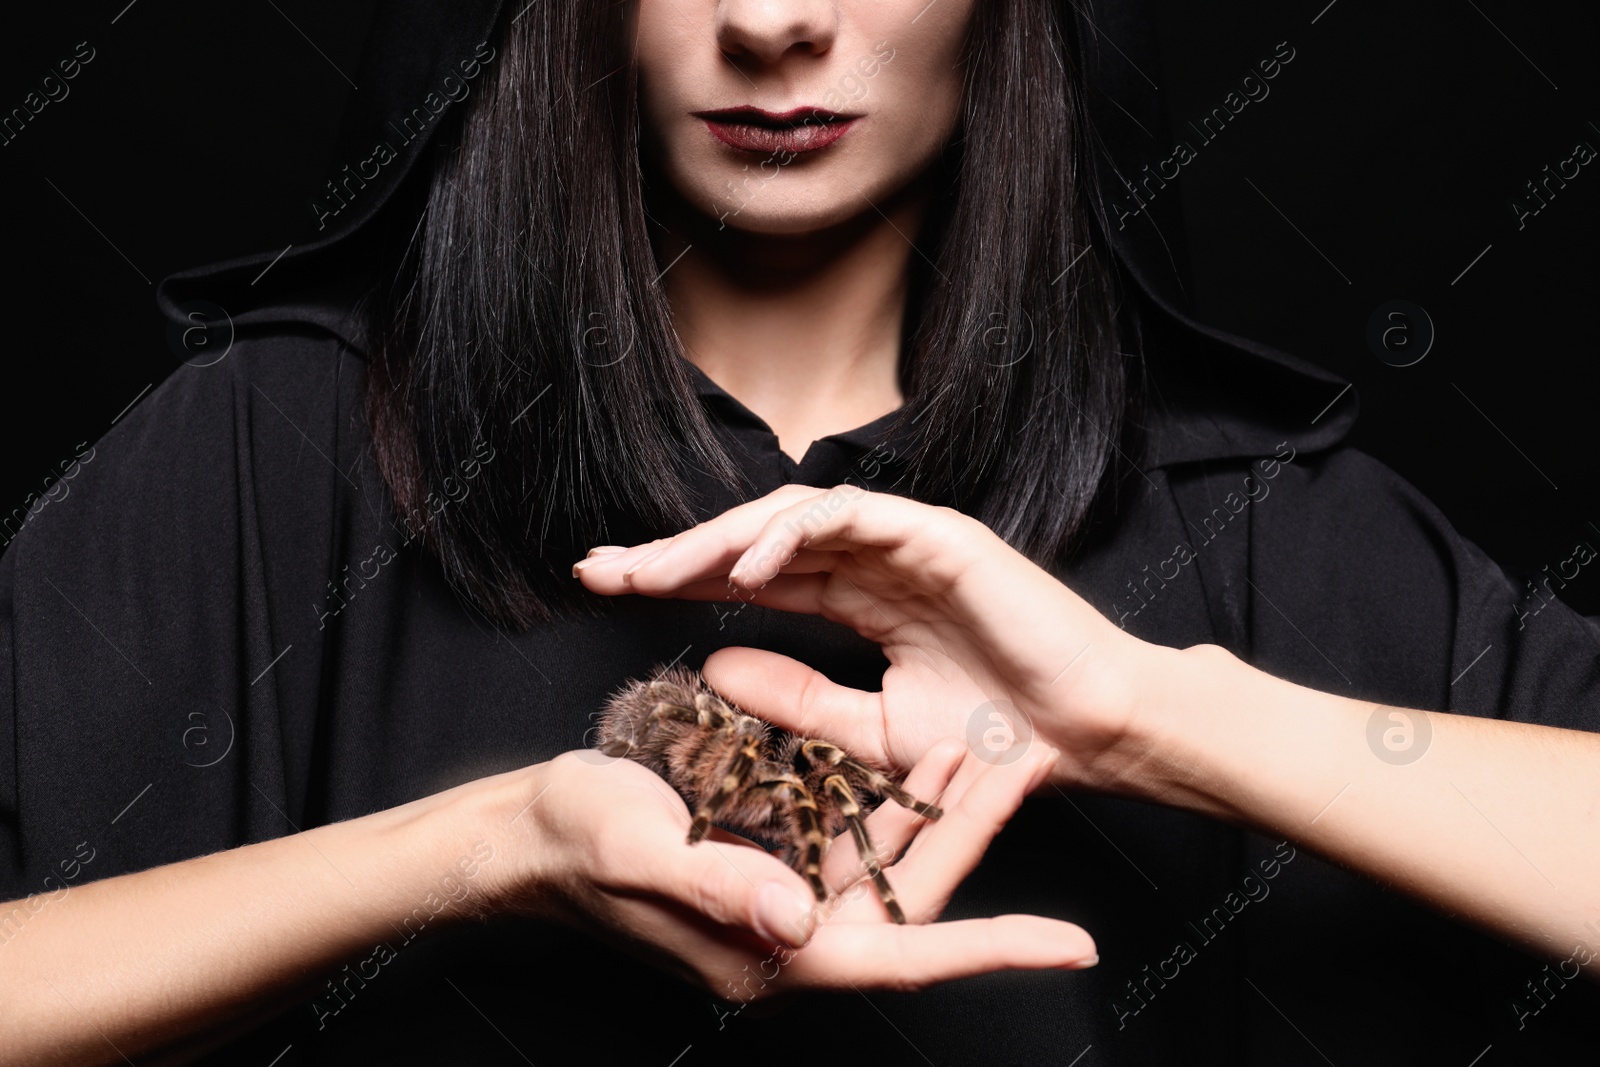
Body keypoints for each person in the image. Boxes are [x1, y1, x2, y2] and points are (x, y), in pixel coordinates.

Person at [0, 1, 1594, 1065]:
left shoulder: (1253, 519)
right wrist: (483, 854)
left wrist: (1149, 714)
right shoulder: (275, 450)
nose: (773, 23)